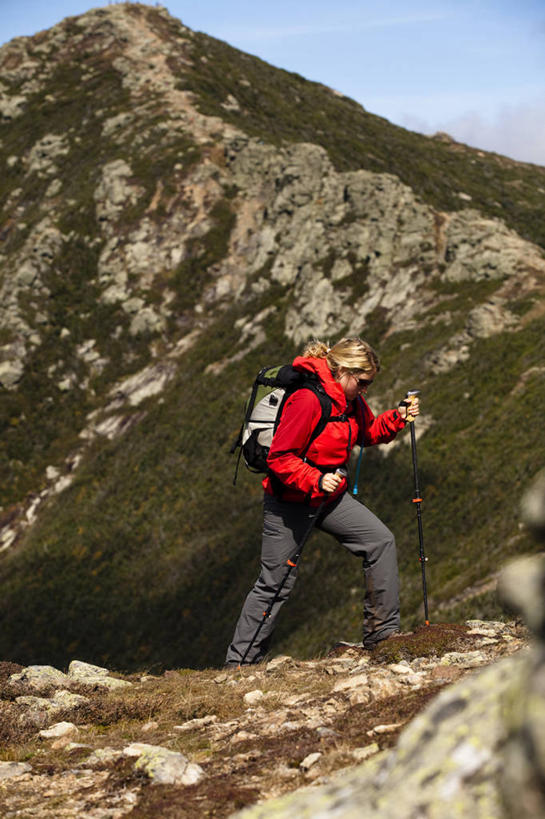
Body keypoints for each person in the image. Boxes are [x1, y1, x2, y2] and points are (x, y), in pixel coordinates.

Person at [225, 337, 420, 666]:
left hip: (329, 499)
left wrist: (398, 418)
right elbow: (280, 458)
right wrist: (315, 478)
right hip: (289, 502)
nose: (366, 390)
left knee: (379, 541)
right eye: (363, 382)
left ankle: (382, 635)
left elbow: (367, 432)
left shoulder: (348, 400)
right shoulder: (308, 400)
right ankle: (239, 666)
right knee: (275, 583)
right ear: (344, 371)